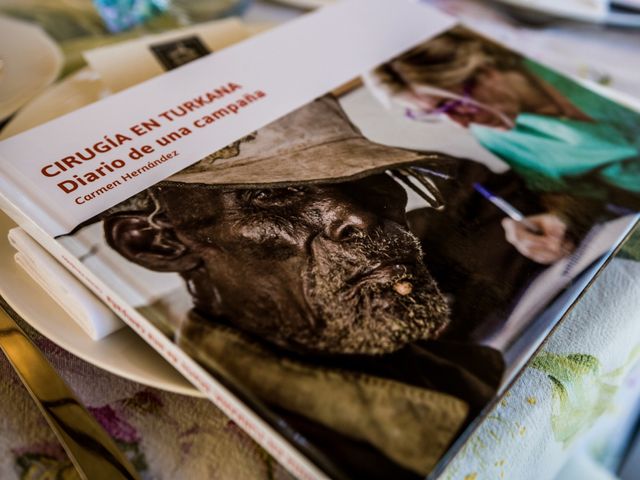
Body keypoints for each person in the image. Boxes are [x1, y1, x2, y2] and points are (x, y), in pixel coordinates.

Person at [97, 96, 597, 479]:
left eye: (364, 178)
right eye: (276, 197)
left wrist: (563, 215)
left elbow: (489, 189)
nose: (358, 215)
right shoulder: (255, 434)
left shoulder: (387, 278)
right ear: (157, 245)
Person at [366, 26, 640, 199]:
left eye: (451, 105)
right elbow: (568, 193)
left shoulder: (566, 58)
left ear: (485, 71)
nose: (462, 124)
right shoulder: (495, 138)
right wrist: (561, 221)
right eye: (433, 114)